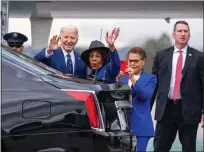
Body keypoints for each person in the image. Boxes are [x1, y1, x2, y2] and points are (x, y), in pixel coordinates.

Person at [151, 20, 204, 152]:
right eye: (179, 31)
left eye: (186, 31)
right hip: (166, 110)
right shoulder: (161, 56)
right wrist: (146, 109)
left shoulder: (199, 57)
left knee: (189, 148)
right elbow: (153, 84)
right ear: (173, 35)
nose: (183, 34)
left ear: (189, 35)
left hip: (189, 111)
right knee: (160, 147)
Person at [116, 47, 157, 152]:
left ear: (143, 62)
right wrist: (116, 83)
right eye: (130, 61)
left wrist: (133, 79)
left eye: (136, 61)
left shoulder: (151, 78)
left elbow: (144, 96)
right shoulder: (122, 78)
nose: (133, 63)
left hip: (141, 126)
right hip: (121, 125)